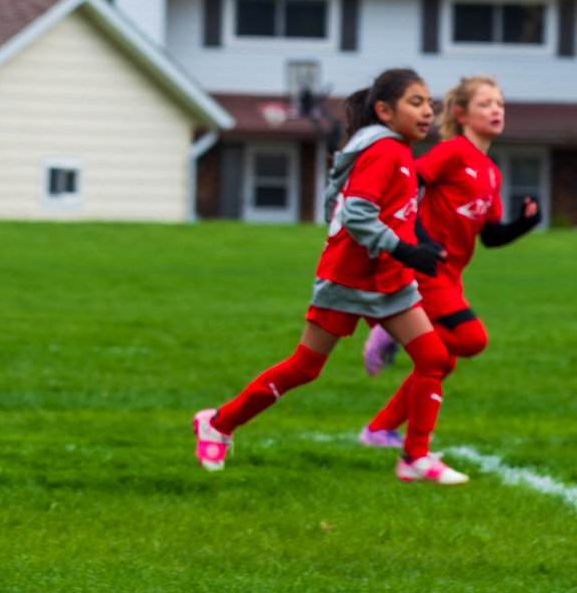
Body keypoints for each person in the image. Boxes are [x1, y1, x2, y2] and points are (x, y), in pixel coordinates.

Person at [192, 68, 467, 484]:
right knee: (305, 367)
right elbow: (357, 215)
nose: (428, 111)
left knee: (434, 358)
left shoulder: (401, 154)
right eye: (416, 102)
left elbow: (395, 215)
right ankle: (219, 422)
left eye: (430, 103)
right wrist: (405, 249)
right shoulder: (385, 152)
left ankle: (414, 457)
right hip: (347, 281)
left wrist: (418, 247)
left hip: (389, 281)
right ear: (385, 111)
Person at [357, 75, 539, 446]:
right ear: (461, 114)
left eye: (500, 104)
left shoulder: (490, 171)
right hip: (426, 269)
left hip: (451, 277)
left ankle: (379, 430)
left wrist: (523, 224)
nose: (496, 110)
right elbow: (408, 180)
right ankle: (389, 332)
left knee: (441, 360)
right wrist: (419, 240)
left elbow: (490, 235)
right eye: (486, 103)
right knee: (472, 340)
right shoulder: (453, 150)